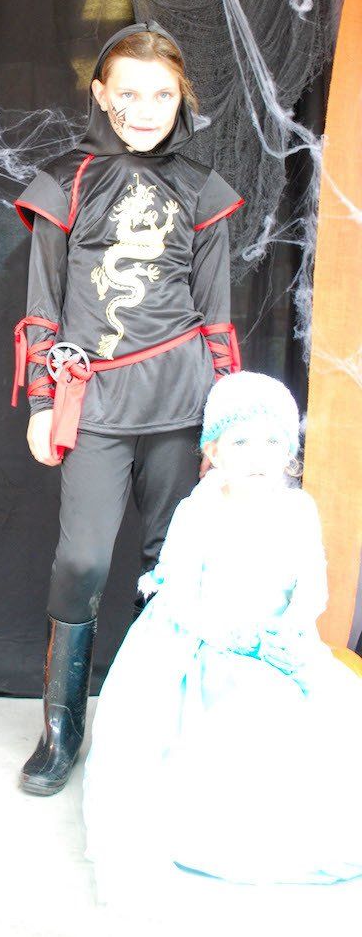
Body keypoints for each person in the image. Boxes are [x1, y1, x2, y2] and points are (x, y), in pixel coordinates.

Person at [11, 23, 243, 795]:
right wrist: (43, 401)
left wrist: (227, 426)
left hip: (182, 401)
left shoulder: (204, 189)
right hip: (97, 402)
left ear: (182, 98)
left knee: (170, 567)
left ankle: (156, 725)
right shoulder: (65, 183)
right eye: (131, 92)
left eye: (163, 93)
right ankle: (61, 730)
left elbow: (215, 316)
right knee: (82, 559)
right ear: (103, 96)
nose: (146, 108)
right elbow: (43, 307)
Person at [82, 371, 362, 894]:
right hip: (206, 638)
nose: (258, 456)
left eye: (273, 442)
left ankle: (285, 814)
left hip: (279, 641)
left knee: (313, 728)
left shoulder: (299, 509)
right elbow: (180, 592)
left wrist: (293, 628)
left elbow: (312, 584)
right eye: (241, 442)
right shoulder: (200, 509)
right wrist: (234, 638)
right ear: (213, 450)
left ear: (290, 453)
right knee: (228, 717)